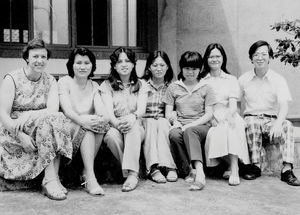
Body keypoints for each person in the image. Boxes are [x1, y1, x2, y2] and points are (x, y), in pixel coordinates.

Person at [0, 38, 75, 200]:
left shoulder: (50, 80)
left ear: (47, 59)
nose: (39, 61)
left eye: (43, 57)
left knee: (55, 118)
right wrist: (20, 135)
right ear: (27, 58)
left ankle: (50, 178)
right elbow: (3, 114)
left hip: (41, 124)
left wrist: (28, 114)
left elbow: (52, 109)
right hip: (15, 128)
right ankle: (52, 179)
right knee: (51, 120)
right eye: (35, 57)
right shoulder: (12, 79)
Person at [238, 40, 300, 186]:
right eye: (256, 54)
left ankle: (287, 170)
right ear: (251, 58)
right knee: (251, 123)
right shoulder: (243, 79)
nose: (260, 57)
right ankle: (256, 166)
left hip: (271, 120)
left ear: (270, 57)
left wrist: (278, 123)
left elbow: (284, 105)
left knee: (288, 125)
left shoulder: (278, 79)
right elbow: (237, 103)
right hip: (251, 118)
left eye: (264, 54)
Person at [58, 47, 110, 195]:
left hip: (88, 126)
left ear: (92, 65)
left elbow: (104, 114)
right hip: (68, 126)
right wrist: (84, 120)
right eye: (78, 62)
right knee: (87, 130)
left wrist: (97, 119)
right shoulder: (64, 82)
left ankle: (86, 171)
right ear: (71, 65)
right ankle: (90, 178)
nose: (82, 67)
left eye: (86, 63)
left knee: (101, 125)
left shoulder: (94, 85)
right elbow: (67, 111)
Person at [164, 51, 216, 191]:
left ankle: (200, 173)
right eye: (187, 68)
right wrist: (175, 122)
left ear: (200, 69)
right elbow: (168, 112)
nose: (190, 72)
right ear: (181, 68)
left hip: (201, 126)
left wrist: (191, 124)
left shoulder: (206, 87)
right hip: (180, 124)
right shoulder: (173, 87)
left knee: (190, 131)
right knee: (174, 135)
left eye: (194, 69)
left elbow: (209, 114)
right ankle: (188, 170)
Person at [99, 47, 149, 192]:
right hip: (115, 125)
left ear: (133, 64)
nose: (124, 64)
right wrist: (117, 124)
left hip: (136, 124)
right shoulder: (107, 85)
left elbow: (141, 110)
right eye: (120, 61)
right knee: (111, 137)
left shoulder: (141, 84)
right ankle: (130, 171)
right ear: (114, 65)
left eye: (128, 60)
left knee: (132, 127)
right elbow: (109, 113)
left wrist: (131, 118)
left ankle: (132, 174)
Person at [201, 43, 250, 186]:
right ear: (206, 59)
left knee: (231, 126)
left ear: (223, 58)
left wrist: (228, 116)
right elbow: (201, 104)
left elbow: (233, 105)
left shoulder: (231, 79)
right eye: (211, 56)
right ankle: (230, 164)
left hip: (229, 113)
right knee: (217, 130)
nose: (214, 59)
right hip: (210, 115)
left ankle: (234, 169)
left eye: (217, 56)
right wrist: (211, 119)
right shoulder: (202, 80)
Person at [141, 50, 177, 183]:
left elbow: (178, 106)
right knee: (151, 123)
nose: (159, 68)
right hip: (144, 120)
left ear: (167, 66)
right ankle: (153, 168)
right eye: (155, 65)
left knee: (161, 123)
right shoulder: (141, 84)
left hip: (163, 120)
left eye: (162, 65)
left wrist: (174, 113)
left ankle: (168, 167)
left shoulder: (173, 87)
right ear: (149, 67)